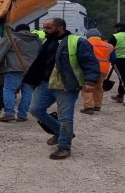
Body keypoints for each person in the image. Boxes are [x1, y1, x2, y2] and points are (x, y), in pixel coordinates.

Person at [23, 18, 101, 160]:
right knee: (35, 109)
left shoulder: (78, 42)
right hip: (46, 84)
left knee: (65, 117)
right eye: (44, 27)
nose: (44, 30)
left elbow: (90, 62)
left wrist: (90, 81)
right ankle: (61, 132)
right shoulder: (48, 42)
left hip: (66, 86)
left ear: (60, 28)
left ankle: (64, 147)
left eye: (48, 27)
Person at [0, 24, 41, 122]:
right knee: (27, 93)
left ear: (17, 30)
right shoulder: (37, 40)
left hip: (14, 69)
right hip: (31, 71)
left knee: (9, 90)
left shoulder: (12, 37)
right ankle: (22, 115)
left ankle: (9, 113)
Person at [80, 28, 116, 114]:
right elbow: (114, 59)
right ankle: (97, 105)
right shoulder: (109, 45)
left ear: (88, 36)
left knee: (87, 86)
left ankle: (88, 107)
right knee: (99, 87)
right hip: (104, 69)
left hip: (89, 68)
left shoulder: (86, 43)